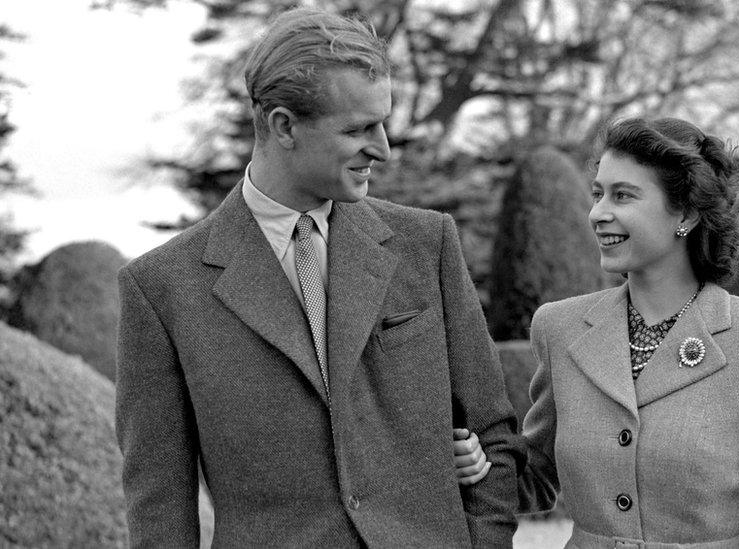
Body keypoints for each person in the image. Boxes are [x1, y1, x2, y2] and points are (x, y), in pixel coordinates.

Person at [115, 7, 523, 547]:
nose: (381, 147)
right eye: (357, 129)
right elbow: (159, 509)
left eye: (382, 123)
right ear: (284, 125)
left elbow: (495, 439)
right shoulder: (163, 288)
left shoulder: (427, 245)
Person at [454, 117, 739, 547]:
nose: (598, 214)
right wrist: (482, 466)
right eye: (597, 194)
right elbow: (537, 476)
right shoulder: (559, 328)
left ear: (685, 212)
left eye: (623, 196)